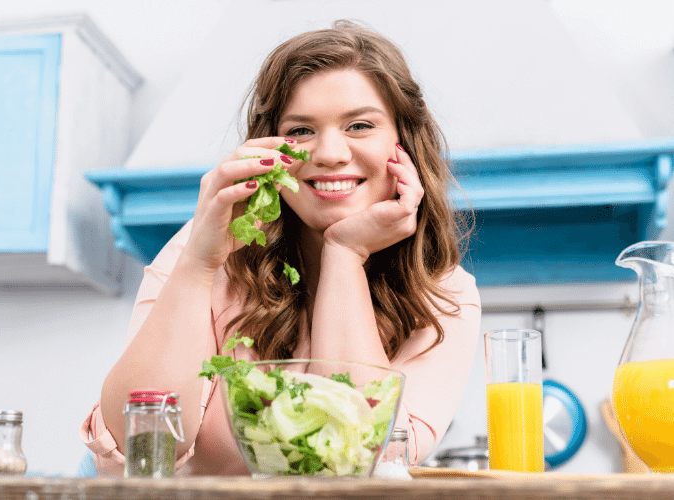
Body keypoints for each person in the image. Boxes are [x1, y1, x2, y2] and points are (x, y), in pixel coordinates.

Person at [80, 20, 481, 476]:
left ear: (404, 141)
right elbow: (138, 447)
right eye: (301, 131)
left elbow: (362, 459)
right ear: (267, 147)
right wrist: (197, 265)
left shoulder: (445, 295)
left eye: (360, 124)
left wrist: (344, 254)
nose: (329, 152)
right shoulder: (207, 248)